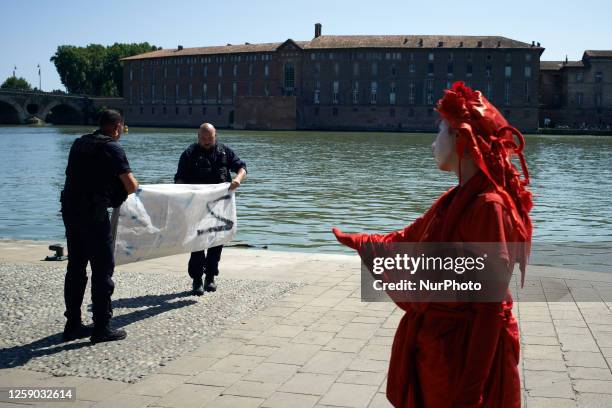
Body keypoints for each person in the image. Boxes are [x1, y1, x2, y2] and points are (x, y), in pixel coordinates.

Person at [332, 81, 532, 407]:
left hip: (460, 356)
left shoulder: (487, 206)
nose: (433, 143)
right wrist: (360, 241)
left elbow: (489, 307)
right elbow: (406, 239)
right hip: (440, 350)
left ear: (462, 138)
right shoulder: (455, 199)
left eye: (440, 131)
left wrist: (471, 389)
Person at [60, 109, 139, 343]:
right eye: (122, 130)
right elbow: (131, 185)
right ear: (116, 127)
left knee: (75, 268)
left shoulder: (79, 143)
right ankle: (102, 327)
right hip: (93, 215)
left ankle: (72, 324)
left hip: (70, 211)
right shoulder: (112, 147)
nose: (121, 133)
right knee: (103, 269)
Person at [174, 123, 247, 295]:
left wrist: (238, 179)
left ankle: (210, 277)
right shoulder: (189, 154)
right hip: (196, 207)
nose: (207, 141)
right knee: (197, 243)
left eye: (210, 138)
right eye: (203, 138)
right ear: (198, 137)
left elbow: (242, 168)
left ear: (216, 136)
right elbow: (179, 179)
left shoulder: (224, 151)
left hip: (220, 207)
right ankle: (197, 279)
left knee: (217, 242)